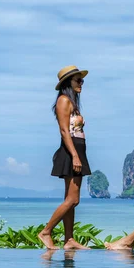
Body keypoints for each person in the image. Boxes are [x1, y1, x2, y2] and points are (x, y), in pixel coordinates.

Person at [38, 65, 92, 250]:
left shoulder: (72, 102)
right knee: (73, 200)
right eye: (78, 80)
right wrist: (75, 156)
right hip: (71, 151)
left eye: (82, 80)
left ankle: (69, 240)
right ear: (68, 82)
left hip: (77, 149)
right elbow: (63, 130)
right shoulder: (63, 100)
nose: (81, 84)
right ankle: (46, 232)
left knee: (70, 199)